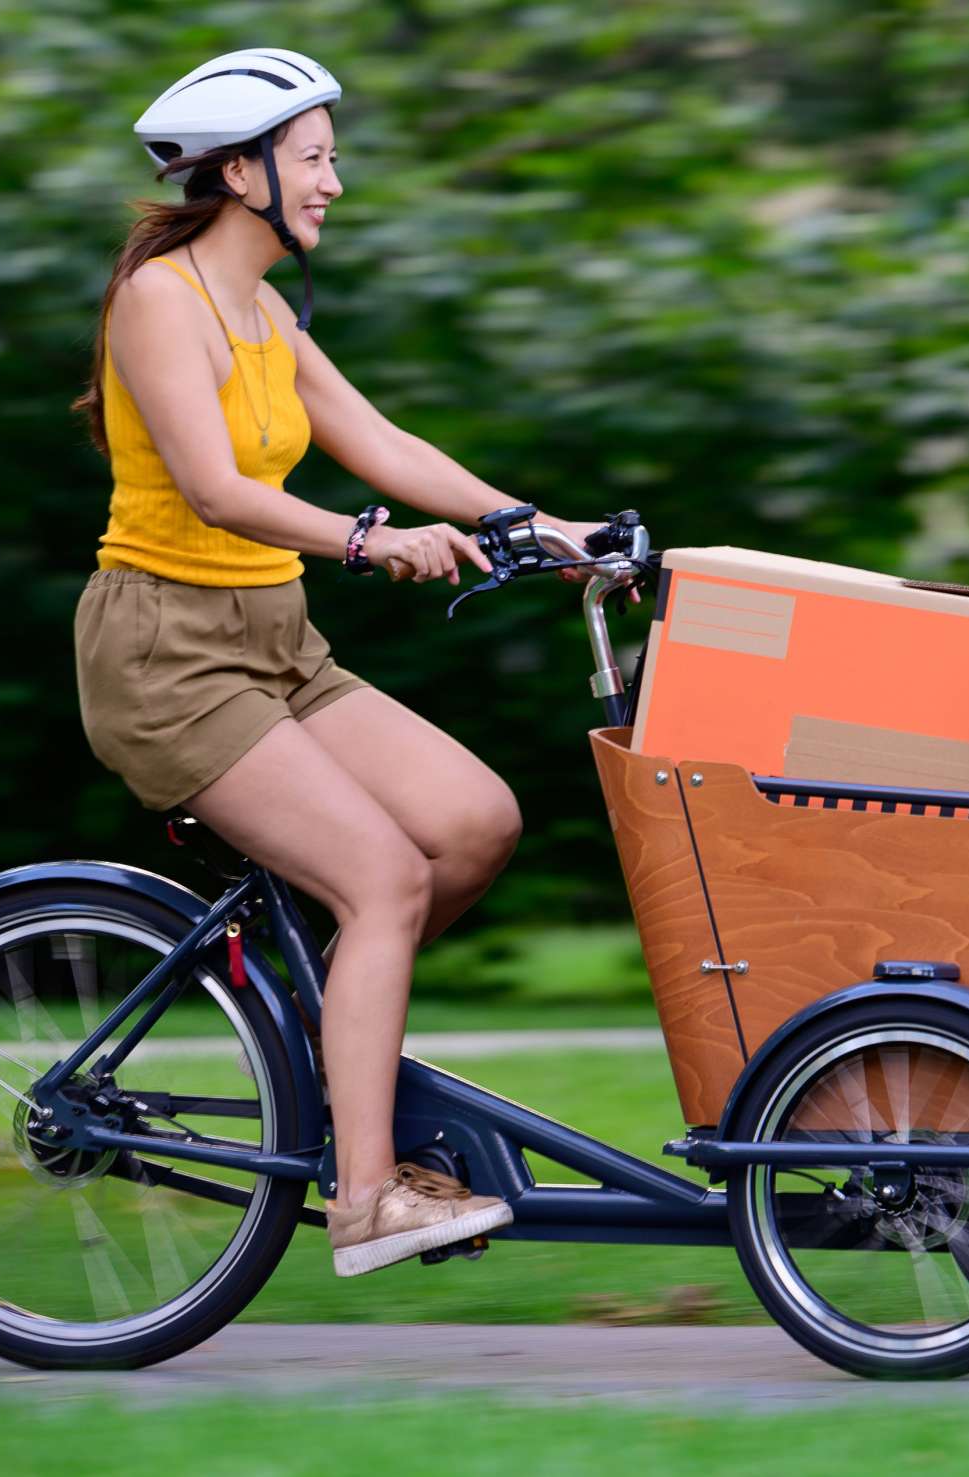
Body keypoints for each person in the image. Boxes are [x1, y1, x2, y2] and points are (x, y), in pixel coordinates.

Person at [72, 48, 596, 1275]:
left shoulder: (265, 311)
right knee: (381, 881)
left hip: (278, 642)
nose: (334, 185)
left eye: (329, 159)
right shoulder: (165, 301)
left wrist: (542, 529)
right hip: (168, 655)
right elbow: (213, 485)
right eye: (314, 160)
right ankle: (365, 1198)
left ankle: (324, 1062)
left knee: (472, 823)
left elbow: (384, 442)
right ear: (240, 170)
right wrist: (370, 543)